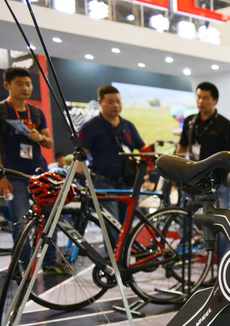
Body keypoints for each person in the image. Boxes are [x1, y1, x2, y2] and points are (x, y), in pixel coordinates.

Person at [0, 67, 65, 273]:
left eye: (28, 84)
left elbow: (49, 143)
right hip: (13, 175)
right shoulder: (2, 111)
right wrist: (1, 176)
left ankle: (49, 262)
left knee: (50, 218)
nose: (26, 88)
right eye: (19, 83)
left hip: (39, 173)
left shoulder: (36, 112)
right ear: (7, 85)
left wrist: (40, 137)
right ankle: (25, 264)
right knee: (19, 223)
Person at [176, 82, 230, 268]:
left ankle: (223, 264)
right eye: (198, 97)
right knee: (185, 218)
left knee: (220, 222)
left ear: (215, 100)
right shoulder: (190, 121)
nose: (201, 101)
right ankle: (185, 256)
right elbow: (181, 148)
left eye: (205, 98)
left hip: (218, 183)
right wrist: (175, 169)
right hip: (191, 180)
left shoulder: (225, 125)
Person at [78, 84, 146, 223]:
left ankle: (125, 246)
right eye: (110, 102)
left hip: (128, 182)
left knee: (126, 225)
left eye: (118, 101)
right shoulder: (90, 127)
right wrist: (80, 181)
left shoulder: (128, 126)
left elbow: (143, 149)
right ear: (100, 103)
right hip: (104, 183)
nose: (116, 105)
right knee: (112, 225)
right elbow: (80, 155)